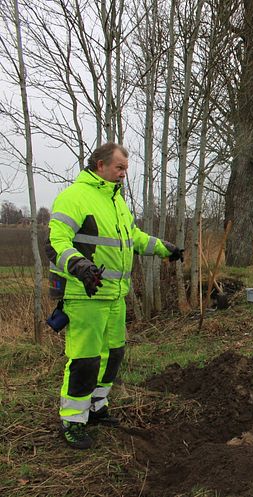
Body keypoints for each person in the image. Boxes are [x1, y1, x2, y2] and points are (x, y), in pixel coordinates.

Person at [46, 143, 183, 449]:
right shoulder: (75, 197)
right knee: (85, 359)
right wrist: (79, 265)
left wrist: (165, 248)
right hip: (85, 295)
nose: (124, 174)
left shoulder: (116, 200)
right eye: (120, 168)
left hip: (114, 296)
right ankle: (73, 419)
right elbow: (55, 242)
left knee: (113, 354)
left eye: (126, 169)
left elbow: (133, 237)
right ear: (100, 165)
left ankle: (96, 407)